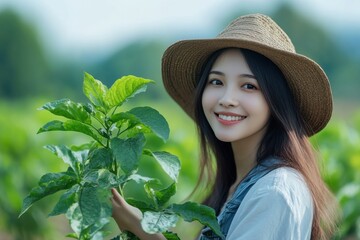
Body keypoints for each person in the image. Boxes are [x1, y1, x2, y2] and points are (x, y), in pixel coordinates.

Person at [111, 13, 339, 239]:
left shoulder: (273, 192)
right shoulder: (242, 183)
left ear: (276, 100)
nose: (227, 98)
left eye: (249, 86)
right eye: (216, 82)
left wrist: (143, 231)